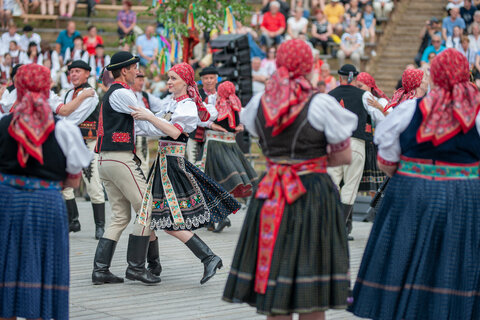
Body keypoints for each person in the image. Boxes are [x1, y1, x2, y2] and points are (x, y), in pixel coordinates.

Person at [223, 39, 357, 319]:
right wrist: (311, 160)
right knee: (312, 289)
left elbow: (261, 138)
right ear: (307, 65)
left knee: (276, 282)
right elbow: (344, 157)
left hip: (271, 189)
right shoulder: (320, 103)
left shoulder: (260, 101)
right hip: (312, 191)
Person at [349, 48, 480, 320]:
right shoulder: (477, 114)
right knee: (455, 263)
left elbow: (386, 160)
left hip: (411, 194)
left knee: (404, 260)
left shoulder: (409, 110)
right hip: (464, 198)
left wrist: (414, 173)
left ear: (435, 77)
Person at [128, 62, 241, 282]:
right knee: (150, 216)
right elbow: (154, 128)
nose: (169, 82)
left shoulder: (187, 106)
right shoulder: (172, 104)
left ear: (186, 82)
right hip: (163, 163)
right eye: (168, 78)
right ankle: (153, 266)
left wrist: (149, 116)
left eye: (173, 79)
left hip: (172, 165)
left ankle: (207, 257)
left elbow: (172, 131)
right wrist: (133, 123)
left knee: (166, 220)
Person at [0, 64, 92, 320]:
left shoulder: (3, 125)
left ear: (17, 88)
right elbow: (73, 182)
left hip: (6, 202)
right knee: (42, 264)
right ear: (46, 87)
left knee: (5, 265)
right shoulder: (64, 129)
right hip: (46, 202)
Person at [328, 64, 385, 241]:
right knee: (350, 187)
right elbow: (380, 118)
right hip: (356, 143)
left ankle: (330, 225)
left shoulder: (329, 96)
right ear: (354, 78)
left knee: (332, 185)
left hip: (334, 144)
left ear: (340, 78)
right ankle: (339, 229)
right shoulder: (365, 95)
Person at [197, 81, 258, 232]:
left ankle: (220, 217)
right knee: (223, 180)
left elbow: (201, 118)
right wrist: (240, 127)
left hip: (215, 145)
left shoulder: (216, 107)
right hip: (230, 145)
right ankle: (212, 219)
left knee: (210, 180)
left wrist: (212, 125)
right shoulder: (236, 106)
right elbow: (248, 120)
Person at [59, 60, 105, 240]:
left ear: (87, 74)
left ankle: (100, 226)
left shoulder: (91, 94)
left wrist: (63, 116)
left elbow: (74, 118)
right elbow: (63, 114)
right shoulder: (69, 93)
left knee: (93, 183)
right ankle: (73, 220)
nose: (74, 75)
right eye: (71, 72)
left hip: (88, 143)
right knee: (65, 185)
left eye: (78, 71)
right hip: (70, 142)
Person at [355, 72, 388, 194]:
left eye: (360, 86)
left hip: (377, 146)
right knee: (365, 185)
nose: (358, 90)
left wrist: (377, 106)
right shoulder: (358, 102)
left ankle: (376, 210)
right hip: (364, 144)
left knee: (378, 185)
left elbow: (385, 120)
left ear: (369, 87)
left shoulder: (382, 101)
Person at [131, 70, 165, 175]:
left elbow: (162, 105)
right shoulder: (127, 94)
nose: (142, 83)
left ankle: (143, 189)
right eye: (139, 80)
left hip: (142, 136)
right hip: (129, 136)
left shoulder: (145, 95)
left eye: (143, 80)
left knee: (143, 166)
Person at [185, 65, 218, 164]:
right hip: (195, 136)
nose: (209, 81)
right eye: (206, 78)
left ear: (216, 80)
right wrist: (211, 124)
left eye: (211, 78)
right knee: (194, 164)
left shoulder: (221, 95)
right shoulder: (196, 95)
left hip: (215, 138)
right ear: (202, 80)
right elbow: (195, 115)